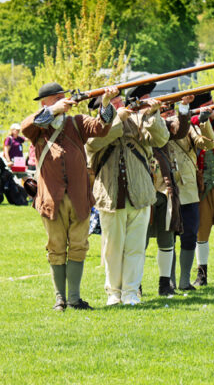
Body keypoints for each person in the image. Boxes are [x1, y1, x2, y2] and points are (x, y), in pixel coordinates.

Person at [21, 81, 118, 311]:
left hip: (79, 196)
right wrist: (53, 110)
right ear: (45, 103)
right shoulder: (38, 126)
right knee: (55, 247)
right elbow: (26, 126)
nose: (61, 101)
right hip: (50, 199)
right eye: (55, 99)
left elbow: (102, 128)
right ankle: (60, 299)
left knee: (78, 246)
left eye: (61, 98)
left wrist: (105, 103)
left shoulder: (76, 122)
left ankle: (74, 298)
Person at [86, 87, 169, 306]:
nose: (119, 103)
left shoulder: (138, 119)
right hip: (110, 194)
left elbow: (161, 139)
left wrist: (153, 115)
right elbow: (93, 144)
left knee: (135, 247)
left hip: (139, 191)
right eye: (112, 101)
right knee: (112, 249)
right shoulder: (95, 126)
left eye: (118, 99)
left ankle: (131, 292)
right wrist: (116, 120)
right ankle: (114, 293)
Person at [163, 93, 214, 291]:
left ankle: (184, 281)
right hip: (166, 190)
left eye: (171, 111)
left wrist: (204, 123)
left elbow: (208, 144)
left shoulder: (187, 127)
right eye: (165, 112)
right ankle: (169, 281)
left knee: (190, 236)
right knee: (168, 238)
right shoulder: (156, 127)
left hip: (188, 190)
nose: (169, 115)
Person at [145, 86, 192, 297]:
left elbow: (179, 130)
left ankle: (165, 284)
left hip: (163, 189)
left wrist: (183, 107)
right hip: (141, 189)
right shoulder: (131, 123)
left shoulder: (161, 123)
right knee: (139, 242)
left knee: (167, 240)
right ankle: (134, 285)